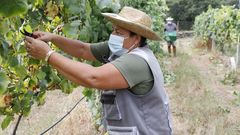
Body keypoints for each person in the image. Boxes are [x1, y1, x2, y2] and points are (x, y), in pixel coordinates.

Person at [24, 6, 172, 135]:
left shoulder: (137, 62)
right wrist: (52, 38)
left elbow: (93, 78)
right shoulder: (120, 49)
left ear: (136, 39)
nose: (113, 36)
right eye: (114, 30)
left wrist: (48, 55)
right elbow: (83, 50)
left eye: (119, 33)